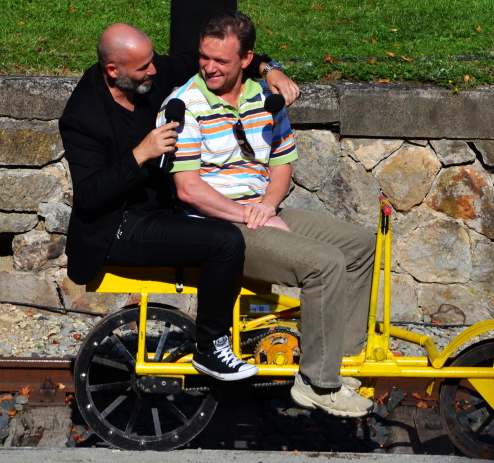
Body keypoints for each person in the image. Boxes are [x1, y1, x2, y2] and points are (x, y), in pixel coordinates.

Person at [158, 10, 376, 418]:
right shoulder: (184, 105)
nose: (209, 67)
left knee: (361, 245)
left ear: (246, 59)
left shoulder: (263, 97)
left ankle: (340, 362)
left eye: (221, 61)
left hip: (261, 209)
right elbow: (188, 190)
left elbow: (282, 164)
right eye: (205, 57)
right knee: (325, 264)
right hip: (220, 224)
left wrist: (268, 206)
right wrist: (248, 214)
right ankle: (318, 384)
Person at [59, 21, 299, 381]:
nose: (154, 71)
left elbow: (217, 57)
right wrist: (139, 154)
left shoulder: (144, 71)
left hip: (159, 211)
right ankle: (210, 347)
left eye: (152, 61)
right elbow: (90, 195)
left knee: (219, 228)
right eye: (143, 68)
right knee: (224, 241)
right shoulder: (83, 116)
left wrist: (270, 70)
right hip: (118, 228)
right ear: (114, 71)